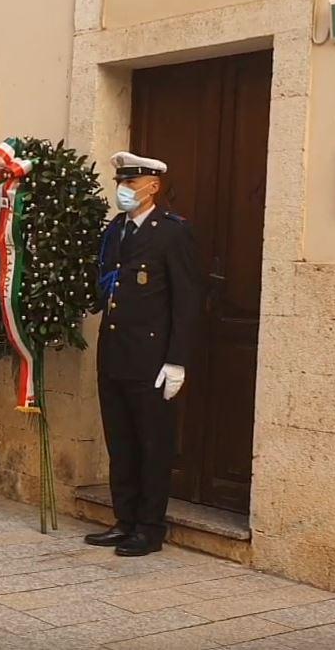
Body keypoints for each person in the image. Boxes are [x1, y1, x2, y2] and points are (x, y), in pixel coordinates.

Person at [86, 151, 200, 557]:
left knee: (153, 444)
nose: (124, 190)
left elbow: (187, 300)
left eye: (131, 184)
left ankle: (150, 527)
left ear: (153, 186)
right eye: (121, 182)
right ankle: (125, 519)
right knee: (122, 442)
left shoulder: (172, 232)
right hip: (115, 353)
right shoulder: (117, 229)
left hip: (152, 358)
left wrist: (177, 360)